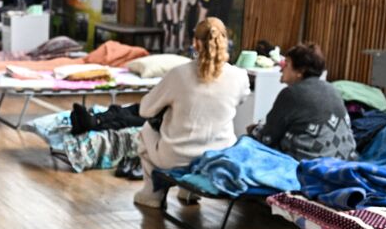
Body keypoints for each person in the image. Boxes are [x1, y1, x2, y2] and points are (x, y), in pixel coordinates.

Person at [133, 17, 251, 208]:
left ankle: (152, 193)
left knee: (146, 130)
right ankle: (188, 192)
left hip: (176, 157)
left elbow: (146, 110)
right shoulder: (239, 76)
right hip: (218, 156)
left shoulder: (178, 74)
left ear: (195, 43)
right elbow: (241, 99)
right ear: (225, 42)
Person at [250, 42, 357, 161]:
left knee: (248, 142)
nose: (281, 69)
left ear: (300, 71)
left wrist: (253, 130)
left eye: (286, 64)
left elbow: (268, 137)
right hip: (345, 160)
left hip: (310, 164)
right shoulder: (332, 89)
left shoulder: (291, 93)